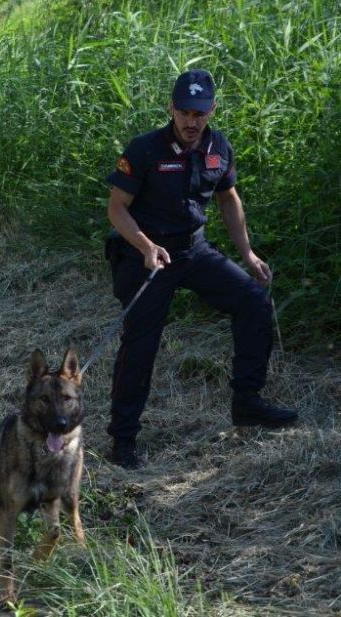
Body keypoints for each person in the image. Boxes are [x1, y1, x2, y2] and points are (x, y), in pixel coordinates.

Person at [104, 69, 297, 469]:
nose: (192, 121)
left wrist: (247, 254)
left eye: (200, 113)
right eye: (185, 112)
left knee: (253, 301)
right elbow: (117, 208)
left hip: (194, 251)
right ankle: (122, 440)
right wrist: (145, 247)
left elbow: (228, 199)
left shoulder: (218, 147)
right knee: (140, 344)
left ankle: (247, 402)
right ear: (171, 108)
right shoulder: (144, 150)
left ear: (212, 110)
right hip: (147, 256)